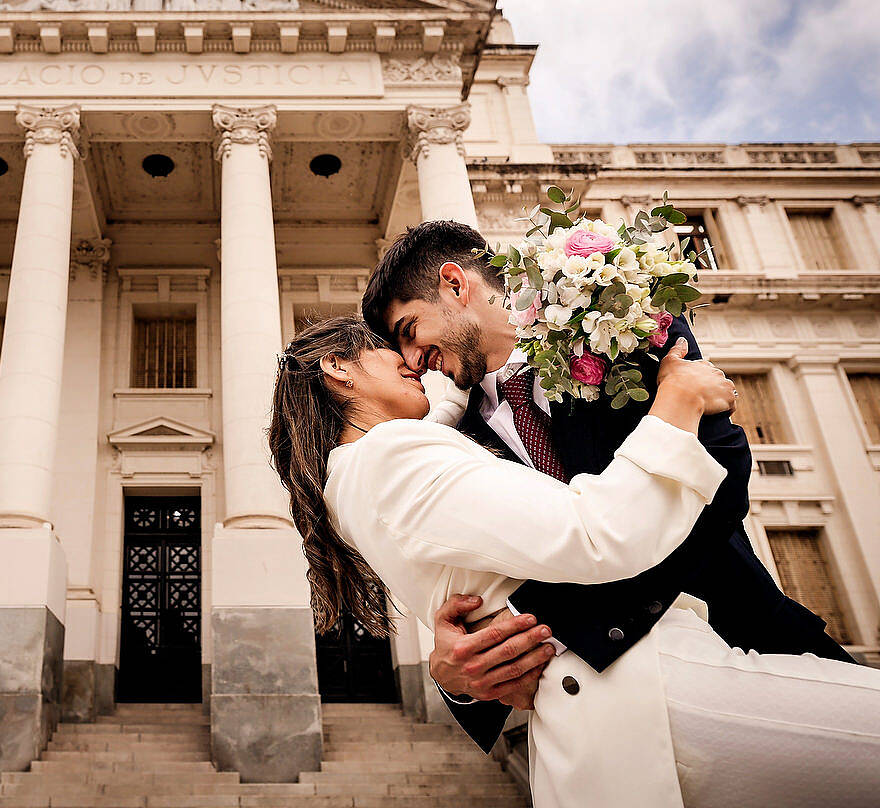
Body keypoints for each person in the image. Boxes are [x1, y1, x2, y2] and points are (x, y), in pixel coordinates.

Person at [268, 315, 880, 807]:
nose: (415, 364)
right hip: (648, 684)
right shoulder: (394, 455)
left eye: (411, 337)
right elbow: (593, 531)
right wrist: (679, 403)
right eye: (390, 348)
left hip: (633, 691)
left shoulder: (355, 479)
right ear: (338, 367)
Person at [359, 221, 856, 753]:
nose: (413, 362)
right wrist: (460, 677)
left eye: (410, 331)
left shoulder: (617, 311)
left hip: (755, 642)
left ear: (455, 285)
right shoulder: (453, 445)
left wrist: (568, 626)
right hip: (606, 729)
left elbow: (722, 480)